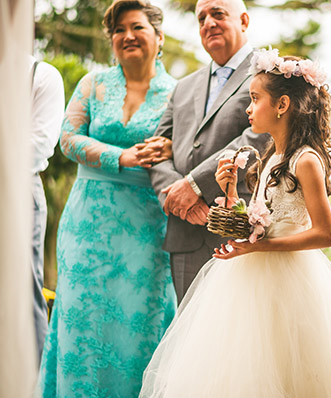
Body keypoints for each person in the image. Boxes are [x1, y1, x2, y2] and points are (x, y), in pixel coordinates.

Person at [139, 48, 331, 397]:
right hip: (249, 275)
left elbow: (325, 234)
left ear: (282, 105)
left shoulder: (306, 161)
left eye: (255, 98)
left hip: (291, 281)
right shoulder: (271, 157)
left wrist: (261, 246)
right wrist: (230, 191)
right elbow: (255, 218)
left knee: (287, 368)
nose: (248, 108)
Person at [37, 1, 177, 396]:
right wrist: (122, 156)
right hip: (87, 225)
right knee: (82, 318)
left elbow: (180, 152)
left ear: (159, 37)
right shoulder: (92, 85)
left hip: (147, 227)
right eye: (118, 30)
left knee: (140, 321)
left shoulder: (178, 95)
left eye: (136, 27)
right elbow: (68, 139)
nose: (126, 36)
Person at [148, 0, 269, 304]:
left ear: (243, 20)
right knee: (191, 342)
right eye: (201, 17)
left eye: (218, 14)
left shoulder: (269, 75)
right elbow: (156, 150)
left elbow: (259, 138)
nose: (208, 23)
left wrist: (196, 184)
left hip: (243, 230)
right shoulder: (183, 87)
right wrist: (179, 198)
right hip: (186, 234)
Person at [28, 55, 65, 364]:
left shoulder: (42, 75)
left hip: (18, 190)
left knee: (24, 291)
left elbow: (40, 144)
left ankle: (32, 382)